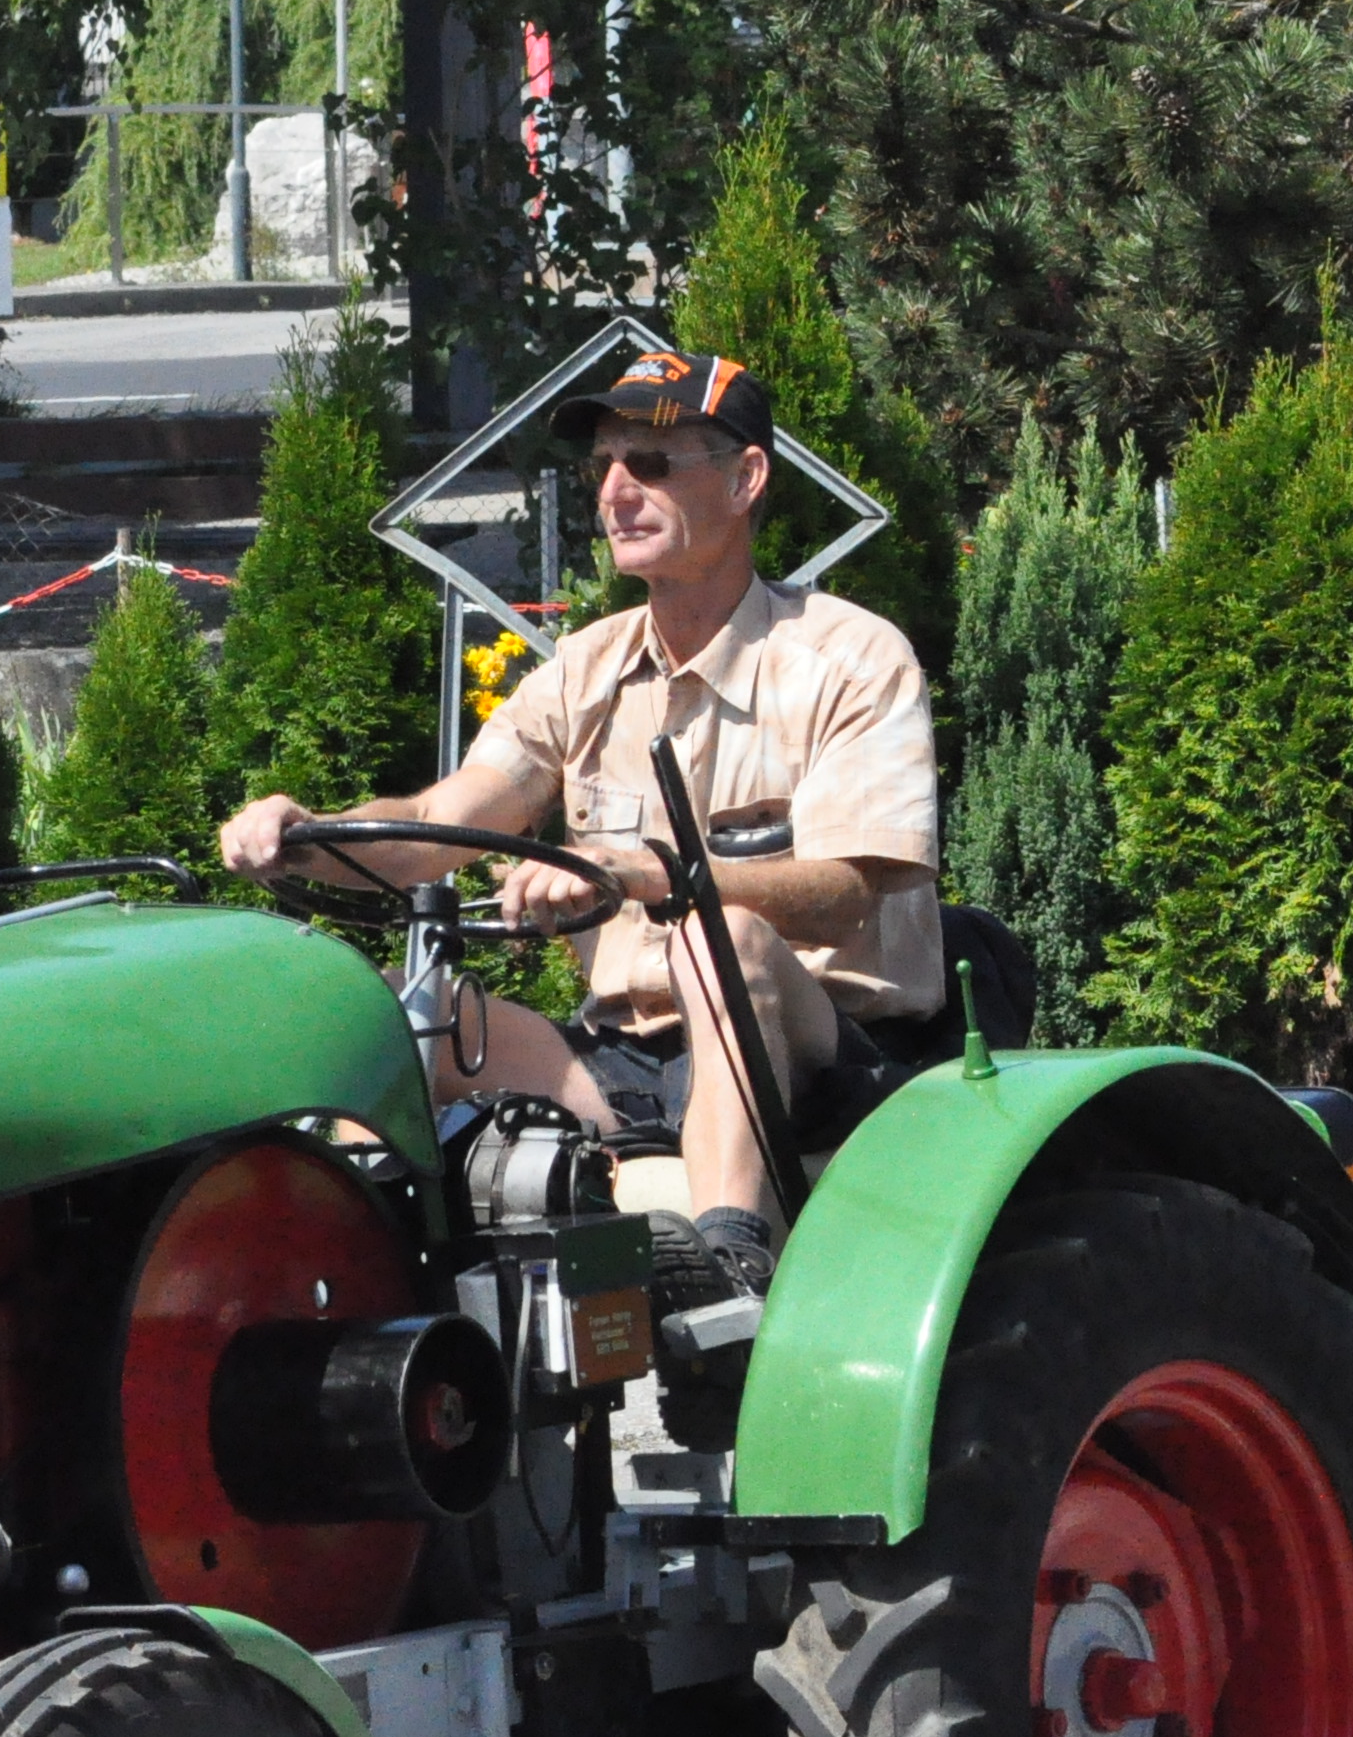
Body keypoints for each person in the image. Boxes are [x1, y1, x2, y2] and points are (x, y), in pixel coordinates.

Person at [219, 350, 946, 1306]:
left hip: (820, 1062)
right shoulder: (584, 670)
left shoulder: (851, 659)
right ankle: (349, 1297)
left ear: (746, 480)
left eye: (651, 464)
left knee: (720, 940)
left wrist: (647, 871)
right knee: (394, 1013)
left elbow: (849, 896)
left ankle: (728, 1278)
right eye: (603, 465)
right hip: (627, 1065)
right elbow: (441, 824)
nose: (614, 491)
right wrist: (310, 832)